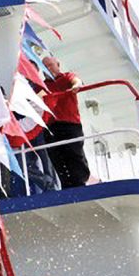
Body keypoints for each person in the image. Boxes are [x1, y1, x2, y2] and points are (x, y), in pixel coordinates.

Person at [42, 57, 90, 188]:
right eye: (45, 66)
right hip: (51, 127)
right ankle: (66, 185)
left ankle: (80, 184)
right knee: (57, 157)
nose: (48, 68)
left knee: (74, 154)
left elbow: (76, 81)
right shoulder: (42, 86)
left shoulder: (67, 77)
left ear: (58, 65)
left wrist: (76, 86)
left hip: (70, 124)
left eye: (51, 65)